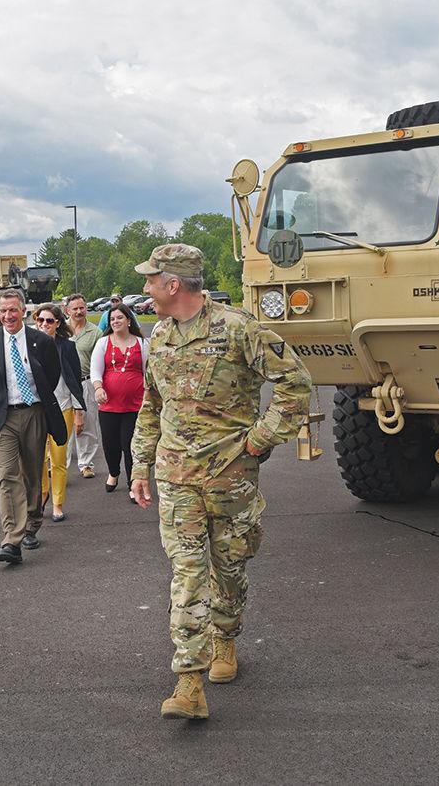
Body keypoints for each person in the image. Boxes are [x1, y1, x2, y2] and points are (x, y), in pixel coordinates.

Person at [129, 244, 312, 720]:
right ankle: (188, 682)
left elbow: (295, 383)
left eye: (151, 280)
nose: (145, 288)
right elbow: (152, 406)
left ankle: (225, 638)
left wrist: (259, 440)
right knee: (187, 574)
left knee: (229, 568)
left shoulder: (239, 329)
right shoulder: (160, 336)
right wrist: (140, 465)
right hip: (176, 477)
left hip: (231, 478)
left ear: (173, 285)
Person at [0, 289, 67, 564]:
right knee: (8, 475)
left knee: (32, 474)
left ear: (24, 311)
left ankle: (33, 522)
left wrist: (34, 402)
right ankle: (11, 540)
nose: (8, 316)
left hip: (34, 413)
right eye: (2, 311)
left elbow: (50, 376)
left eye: (13, 310)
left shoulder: (40, 341)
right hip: (2, 417)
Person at [90, 303, 148, 500]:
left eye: (120, 318)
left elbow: (148, 371)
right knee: (111, 445)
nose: (116, 321)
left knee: (130, 445)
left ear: (129, 320)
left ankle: (133, 484)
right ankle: (114, 472)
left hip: (135, 404)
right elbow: (96, 370)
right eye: (112, 319)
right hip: (109, 405)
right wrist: (98, 388)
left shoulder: (141, 343)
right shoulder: (103, 343)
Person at [33, 303, 86, 521]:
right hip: (36, 410)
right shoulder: (30, 344)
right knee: (38, 460)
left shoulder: (67, 347)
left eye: (49, 321)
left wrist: (78, 410)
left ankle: (58, 503)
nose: (44, 324)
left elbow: (74, 380)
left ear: (57, 324)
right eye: (40, 320)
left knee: (58, 459)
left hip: (62, 408)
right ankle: (42, 496)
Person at [63, 293, 102, 479]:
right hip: (63, 384)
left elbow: (99, 361)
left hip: (85, 382)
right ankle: (60, 465)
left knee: (87, 424)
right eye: (75, 308)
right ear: (67, 310)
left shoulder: (95, 332)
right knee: (64, 425)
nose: (79, 311)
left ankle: (86, 464)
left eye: (82, 308)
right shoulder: (60, 329)